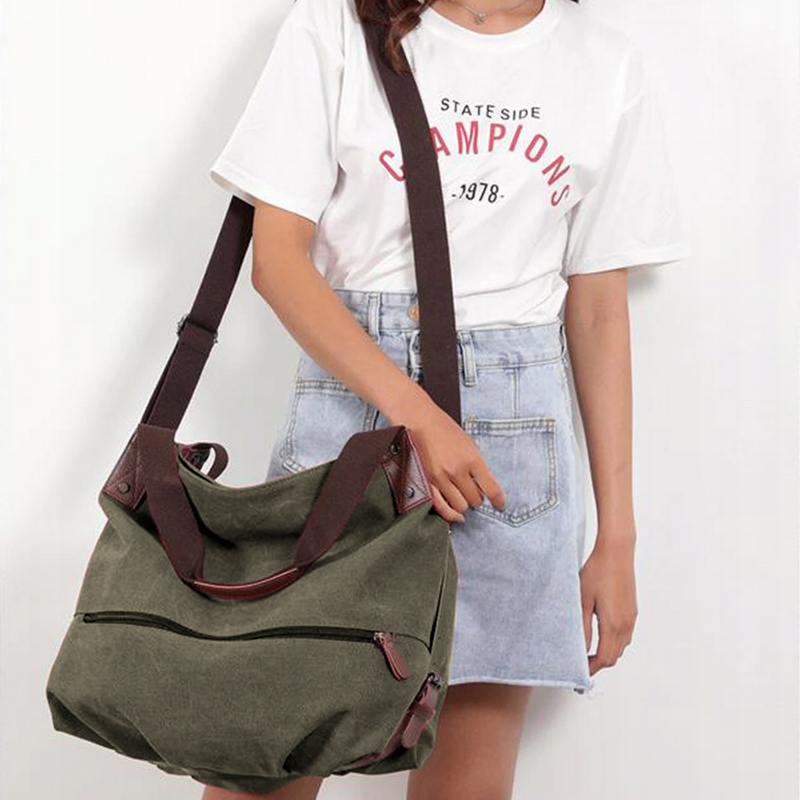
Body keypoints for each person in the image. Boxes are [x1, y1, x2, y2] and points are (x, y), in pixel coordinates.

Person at [204, 0, 691, 797]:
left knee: (467, 782)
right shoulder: (336, 26)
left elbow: (600, 309)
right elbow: (277, 263)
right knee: (268, 762)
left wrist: (618, 539)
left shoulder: (603, 62)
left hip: (513, 453)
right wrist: (420, 416)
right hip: (352, 420)